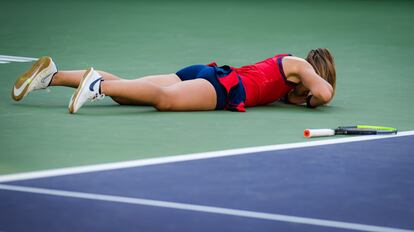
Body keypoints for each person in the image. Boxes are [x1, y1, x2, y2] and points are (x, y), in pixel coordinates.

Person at [11, 48, 336, 114]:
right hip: (222, 87)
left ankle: (51, 76)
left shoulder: (288, 77)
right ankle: (97, 87)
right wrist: (310, 99)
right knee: (163, 100)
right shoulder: (300, 65)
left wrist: (296, 96)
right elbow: (323, 93)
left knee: (130, 90)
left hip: (204, 73)